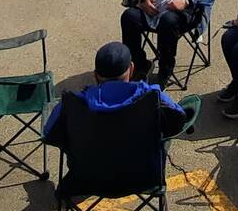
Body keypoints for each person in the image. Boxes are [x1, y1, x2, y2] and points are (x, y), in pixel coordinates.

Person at [45, 42, 189, 181]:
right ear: (131, 69)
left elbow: (50, 134)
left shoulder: (72, 103)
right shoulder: (152, 96)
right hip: (143, 177)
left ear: (95, 75)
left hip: (87, 178)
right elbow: (179, 120)